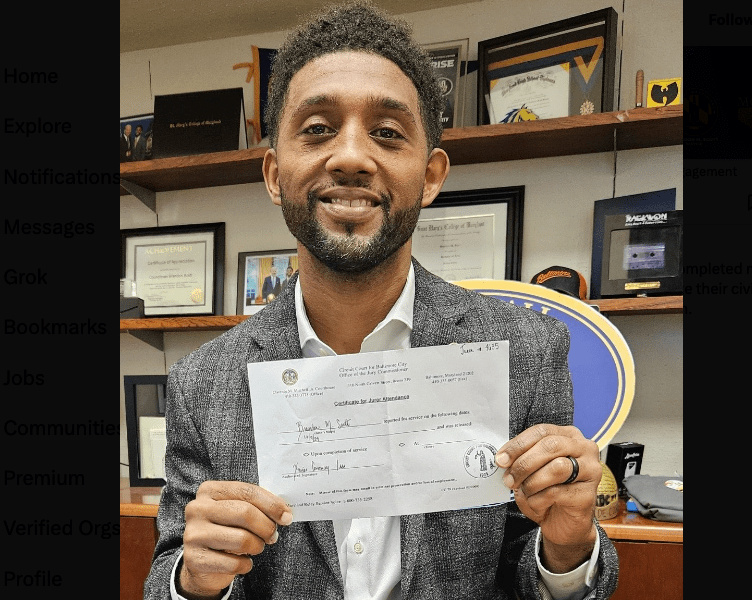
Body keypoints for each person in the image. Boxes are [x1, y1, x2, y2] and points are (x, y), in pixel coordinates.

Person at [144, 2, 618, 599]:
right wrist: (197, 580)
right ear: (272, 174)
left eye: (388, 133)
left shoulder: (525, 352)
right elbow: (166, 578)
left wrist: (570, 545)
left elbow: (532, 563)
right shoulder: (202, 382)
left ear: (430, 175)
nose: (349, 156)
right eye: (316, 129)